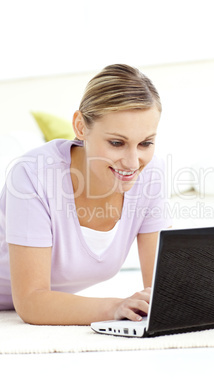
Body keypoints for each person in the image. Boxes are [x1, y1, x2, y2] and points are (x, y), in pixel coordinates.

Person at [0, 64, 171, 325]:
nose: (133, 162)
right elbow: (31, 301)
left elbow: (164, 291)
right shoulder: (32, 174)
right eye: (117, 143)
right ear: (80, 127)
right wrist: (116, 307)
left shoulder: (151, 174)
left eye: (145, 143)